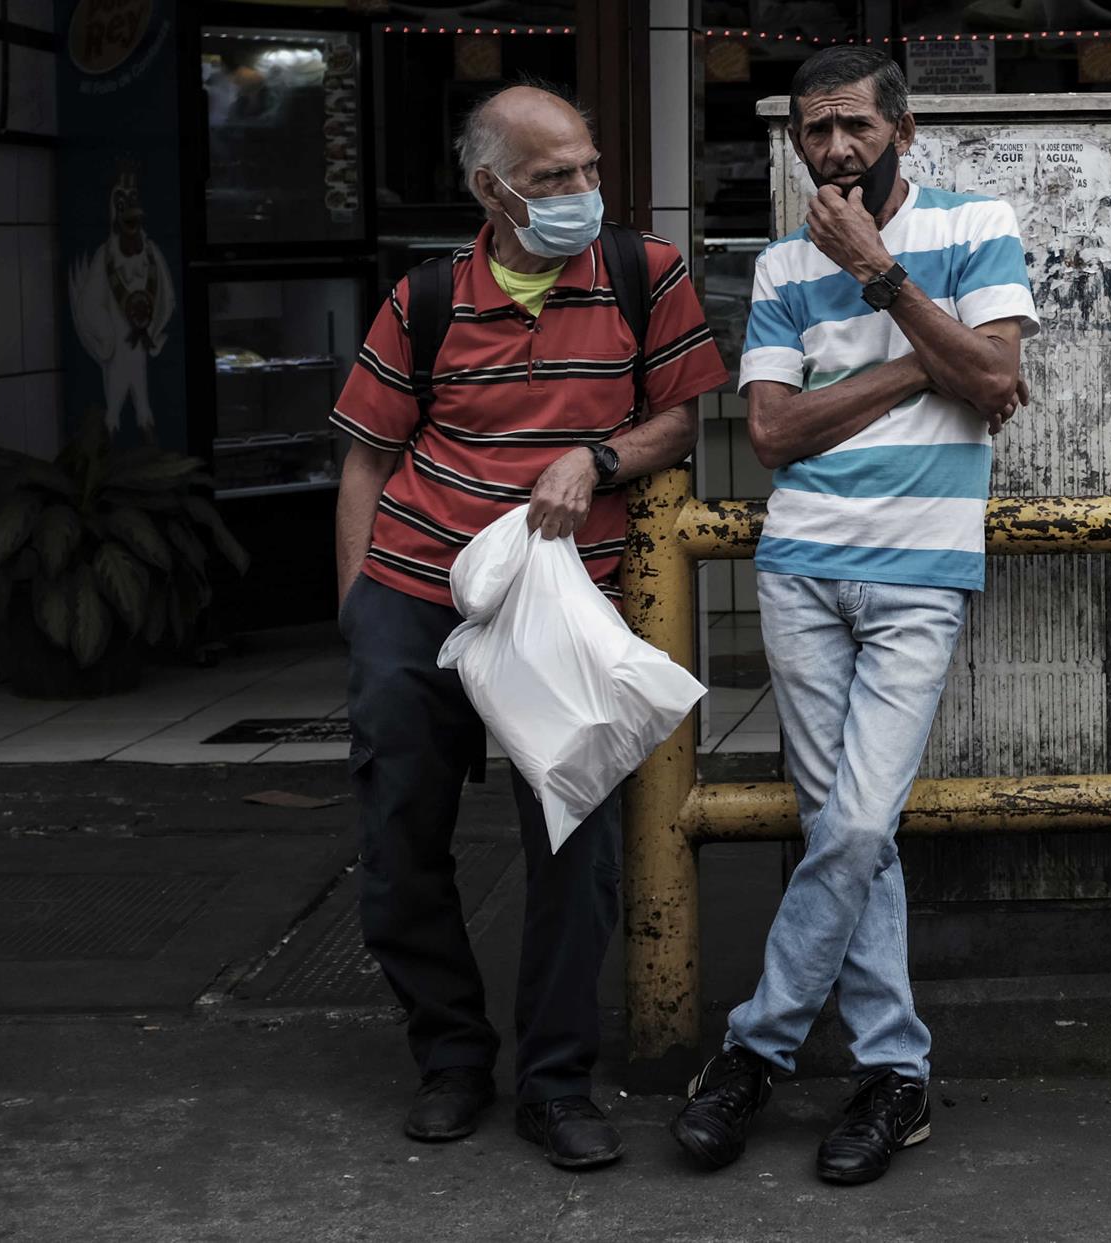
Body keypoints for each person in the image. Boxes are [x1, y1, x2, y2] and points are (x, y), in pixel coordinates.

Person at [331, 84, 727, 1169]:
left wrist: (596, 457)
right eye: (554, 179)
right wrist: (361, 607)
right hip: (418, 589)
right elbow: (366, 452)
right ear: (490, 189)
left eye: (589, 169)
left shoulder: (648, 277)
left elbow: (680, 418)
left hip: (570, 602)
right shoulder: (424, 297)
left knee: (577, 849)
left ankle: (556, 1083)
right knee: (399, 836)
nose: (581, 194)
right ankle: (452, 1057)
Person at [668, 46, 1037, 1187]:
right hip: (803, 569)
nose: (834, 150)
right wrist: (921, 368)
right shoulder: (781, 265)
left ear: (903, 132)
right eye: (813, 131)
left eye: (855, 128)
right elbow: (773, 433)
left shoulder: (978, 224)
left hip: (920, 570)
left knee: (859, 828)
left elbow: (997, 382)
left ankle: (754, 1047)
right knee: (848, 836)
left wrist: (884, 281)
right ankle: (895, 1075)